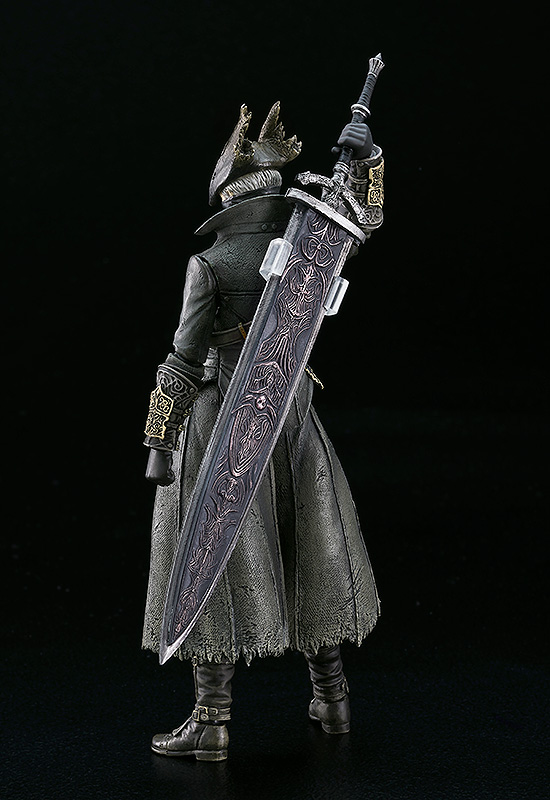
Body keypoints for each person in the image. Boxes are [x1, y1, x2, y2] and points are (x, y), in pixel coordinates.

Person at [142, 101, 384, 761]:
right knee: (310, 550)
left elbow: (183, 360)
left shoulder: (211, 264)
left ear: (228, 194)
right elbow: (366, 215)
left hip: (220, 422)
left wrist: (158, 440)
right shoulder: (313, 245)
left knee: (212, 560)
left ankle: (212, 722)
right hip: (294, 416)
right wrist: (368, 158)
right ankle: (333, 699)